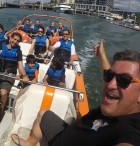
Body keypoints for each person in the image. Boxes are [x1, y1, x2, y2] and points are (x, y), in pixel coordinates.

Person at [11, 39, 140, 146]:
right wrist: (101, 56)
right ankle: (29, 143)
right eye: (109, 76)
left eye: (124, 80)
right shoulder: (118, 103)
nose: (111, 84)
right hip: (64, 134)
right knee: (43, 113)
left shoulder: (130, 131)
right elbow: (109, 74)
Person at [0, 32, 29, 121]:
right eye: (14, 39)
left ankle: (1, 109)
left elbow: (20, 65)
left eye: (17, 41)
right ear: (10, 38)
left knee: (3, 93)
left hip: (10, 75)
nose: (15, 42)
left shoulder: (18, 51)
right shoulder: (1, 47)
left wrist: (25, 75)